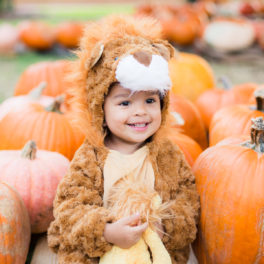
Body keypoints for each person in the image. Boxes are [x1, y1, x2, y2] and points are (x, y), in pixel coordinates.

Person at [48, 15, 200, 264]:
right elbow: (69, 209)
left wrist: (167, 227)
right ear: (100, 110)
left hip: (153, 254)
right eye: (125, 102)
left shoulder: (168, 156)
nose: (140, 111)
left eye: (150, 100)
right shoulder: (91, 158)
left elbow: (187, 202)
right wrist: (107, 231)